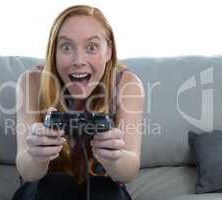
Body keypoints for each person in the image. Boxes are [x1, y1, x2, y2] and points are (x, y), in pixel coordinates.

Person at [13, 4, 145, 200]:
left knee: (104, 190)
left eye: (91, 47)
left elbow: (129, 170)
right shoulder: (31, 81)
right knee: (56, 184)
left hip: (105, 190)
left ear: (108, 51)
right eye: (66, 47)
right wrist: (36, 156)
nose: (78, 60)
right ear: (54, 51)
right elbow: (26, 170)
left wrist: (114, 157)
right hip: (43, 189)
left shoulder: (128, 85)